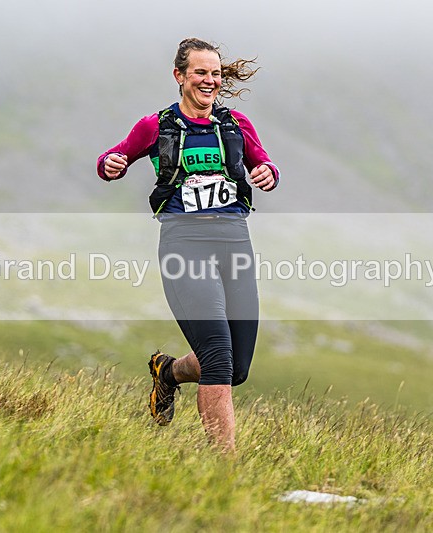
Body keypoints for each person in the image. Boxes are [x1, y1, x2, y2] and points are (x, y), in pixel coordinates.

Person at [96, 37, 280, 452]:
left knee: (236, 368)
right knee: (217, 356)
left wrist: (268, 171)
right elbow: (114, 157)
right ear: (179, 76)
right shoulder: (156, 126)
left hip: (235, 243)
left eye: (215, 73)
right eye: (200, 72)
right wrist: (111, 164)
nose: (209, 81)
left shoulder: (235, 125)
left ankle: (169, 373)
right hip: (184, 244)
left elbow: (263, 162)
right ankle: (224, 469)